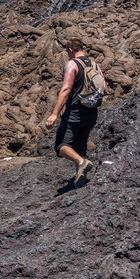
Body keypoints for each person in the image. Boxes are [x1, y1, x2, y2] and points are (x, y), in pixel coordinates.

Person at [43, 38, 104, 186]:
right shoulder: (95, 65)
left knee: (61, 146)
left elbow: (66, 89)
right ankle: (80, 178)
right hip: (91, 111)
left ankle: (81, 162)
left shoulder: (72, 64)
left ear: (70, 49)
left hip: (75, 111)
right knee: (80, 145)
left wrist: (54, 114)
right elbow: (105, 88)